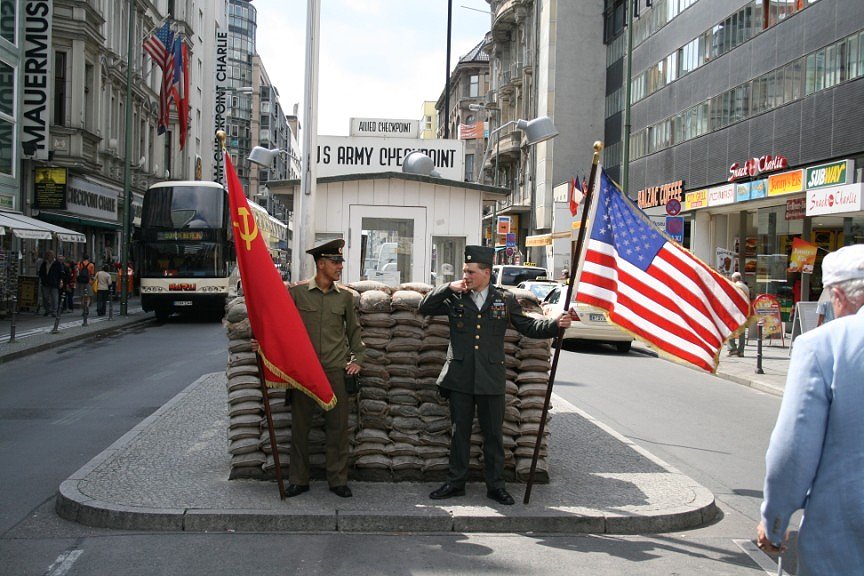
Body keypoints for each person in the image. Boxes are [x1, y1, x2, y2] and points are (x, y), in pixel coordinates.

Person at [418, 245, 573, 505]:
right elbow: (425, 307)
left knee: (493, 436)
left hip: (491, 377)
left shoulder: (504, 299)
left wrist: (555, 325)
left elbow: (528, 326)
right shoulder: (455, 297)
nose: (465, 275)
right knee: (459, 435)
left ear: (487, 272)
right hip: (460, 377)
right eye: (464, 270)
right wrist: (448, 288)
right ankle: (455, 483)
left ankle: (495, 486)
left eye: (470, 271)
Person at [757, 244, 864, 575]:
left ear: (840, 296)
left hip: (843, 537)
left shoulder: (824, 344)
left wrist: (774, 522)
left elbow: (792, 451)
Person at [255, 239, 366, 498]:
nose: (340, 266)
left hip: (335, 371)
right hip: (304, 372)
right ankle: (299, 479)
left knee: (337, 429)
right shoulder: (297, 293)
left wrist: (357, 360)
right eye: (335, 262)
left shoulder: (346, 298)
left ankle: (337, 480)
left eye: (340, 262)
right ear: (321, 263)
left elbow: (354, 334)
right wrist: (261, 343)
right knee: (300, 428)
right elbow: (279, 327)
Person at [726, 272, 750, 356]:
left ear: (735, 279)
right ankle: (741, 351)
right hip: (744, 311)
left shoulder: (735, 286)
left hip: (735, 311)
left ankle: (732, 348)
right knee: (742, 332)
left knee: (730, 329)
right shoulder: (745, 287)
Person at [37, 250, 65, 317]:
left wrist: (61, 281)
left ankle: (54, 311)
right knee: (45, 297)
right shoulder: (44, 263)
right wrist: (42, 277)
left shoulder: (57, 263)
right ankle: (47, 310)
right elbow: (41, 272)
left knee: (54, 298)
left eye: (50, 255)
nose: (49, 257)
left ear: (52, 256)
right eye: (48, 255)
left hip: (54, 283)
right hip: (45, 283)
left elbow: (61, 273)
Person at [76, 255, 96, 319]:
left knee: (82, 296)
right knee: (88, 296)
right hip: (88, 281)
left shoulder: (79, 264)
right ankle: (87, 306)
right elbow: (92, 274)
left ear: (83, 258)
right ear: (88, 258)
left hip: (81, 281)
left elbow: (77, 272)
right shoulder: (91, 265)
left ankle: (83, 310)